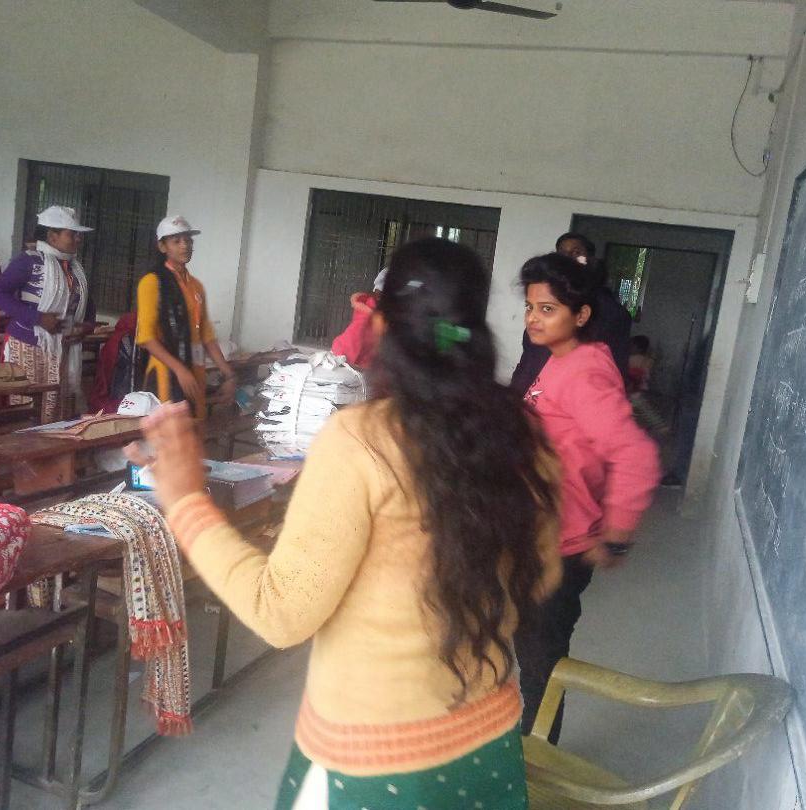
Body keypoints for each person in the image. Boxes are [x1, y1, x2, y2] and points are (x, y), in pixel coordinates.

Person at [137, 238, 562, 809]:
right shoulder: (524, 433)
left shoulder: (360, 441)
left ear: (381, 328)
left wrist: (186, 499)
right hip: (488, 744)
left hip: (377, 763)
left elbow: (280, 613)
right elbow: (541, 576)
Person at [514, 252, 661, 740]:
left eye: (548, 309)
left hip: (564, 542)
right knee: (532, 656)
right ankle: (530, 748)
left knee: (541, 665)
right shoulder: (558, 362)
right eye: (530, 307)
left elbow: (636, 454)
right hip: (542, 534)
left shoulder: (583, 373)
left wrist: (616, 535)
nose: (534, 318)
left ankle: (537, 762)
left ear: (580, 315)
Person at [0, 205, 96, 422]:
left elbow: (88, 307)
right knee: (28, 409)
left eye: (78, 235)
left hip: (64, 348)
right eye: (72, 234)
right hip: (30, 344)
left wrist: (86, 327)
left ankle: (53, 444)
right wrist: (38, 318)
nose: (78, 239)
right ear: (52, 236)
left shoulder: (75, 269)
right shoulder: (28, 261)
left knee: (58, 410)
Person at [135, 215, 235, 418]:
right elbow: (146, 338)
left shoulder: (196, 286)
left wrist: (228, 374)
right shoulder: (151, 283)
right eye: (177, 241)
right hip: (166, 372)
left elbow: (206, 334)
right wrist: (179, 370)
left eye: (188, 240)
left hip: (194, 370)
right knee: (170, 430)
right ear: (162, 247)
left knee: (195, 426)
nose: (185, 245)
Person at [509, 232, 633, 395]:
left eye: (576, 252)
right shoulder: (544, 301)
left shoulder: (610, 311)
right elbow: (529, 360)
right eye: (529, 307)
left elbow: (611, 373)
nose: (532, 317)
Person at [330, 267, 387, 367]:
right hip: (346, 354)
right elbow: (356, 334)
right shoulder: (370, 307)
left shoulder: (368, 304)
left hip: (351, 354)